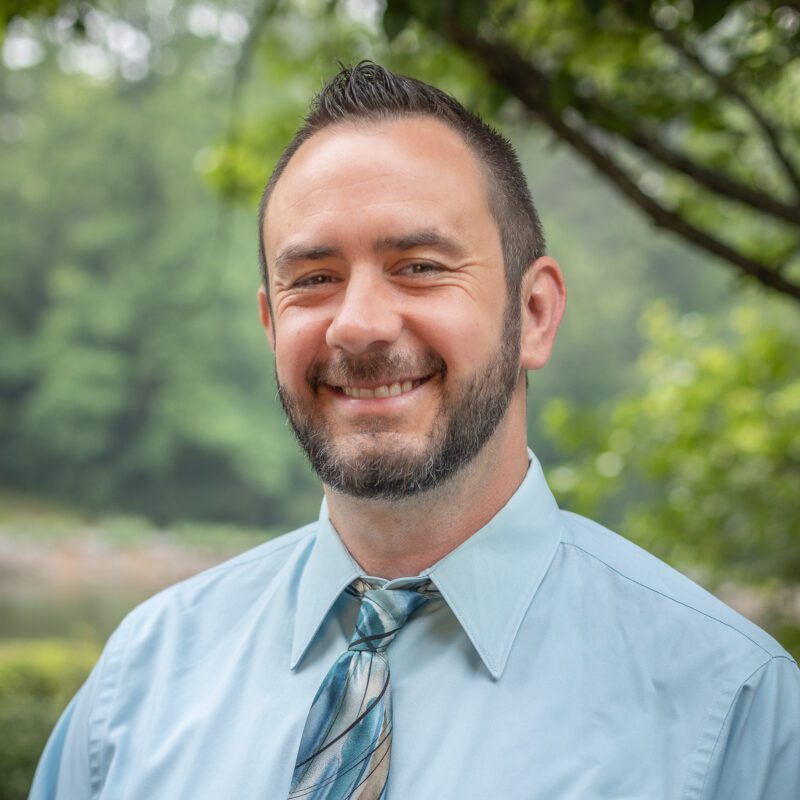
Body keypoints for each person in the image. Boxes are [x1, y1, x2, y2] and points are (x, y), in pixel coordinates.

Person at [30, 61, 799, 800]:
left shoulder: (734, 708)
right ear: (271, 325)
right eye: (314, 280)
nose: (358, 326)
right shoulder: (138, 682)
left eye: (421, 266)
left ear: (533, 314)